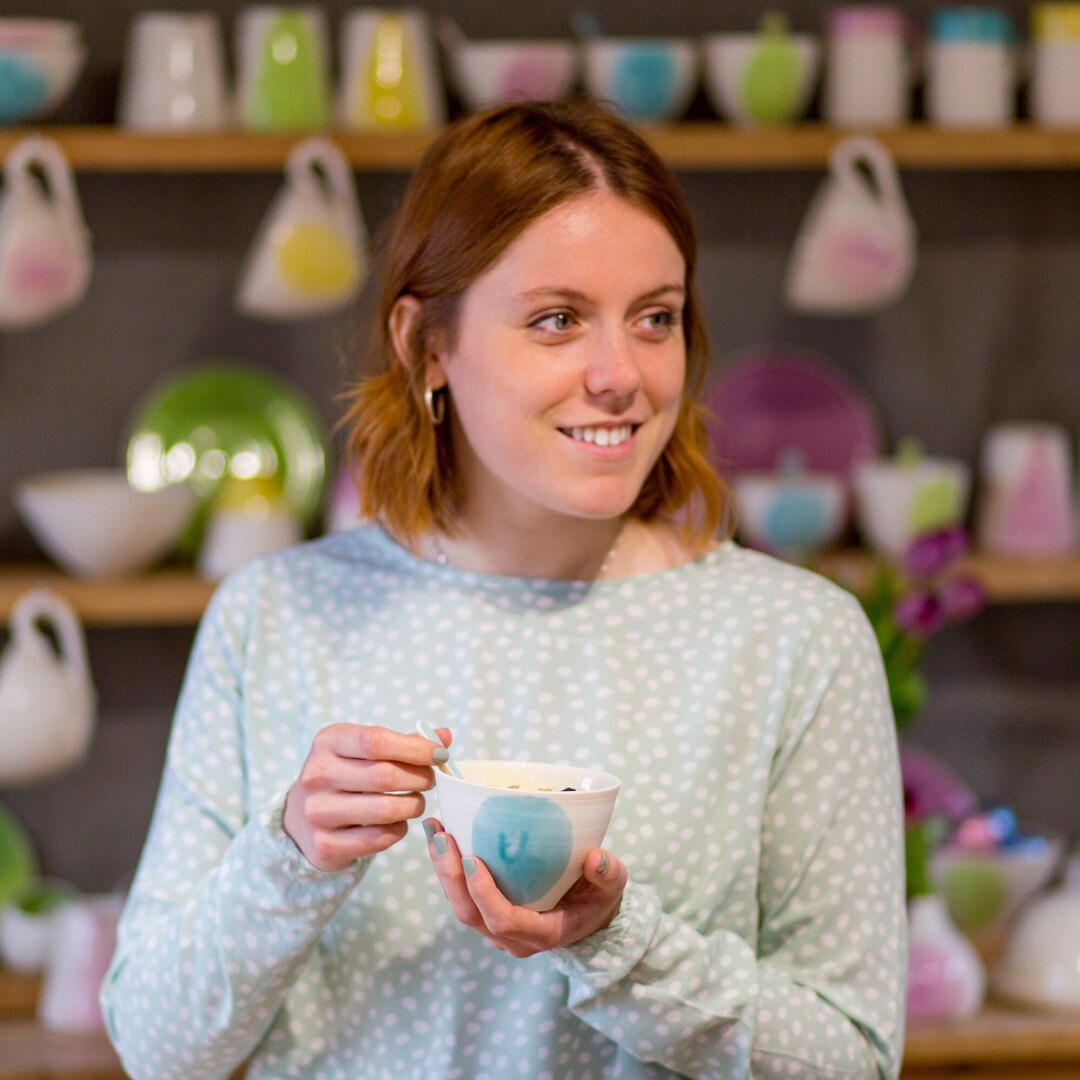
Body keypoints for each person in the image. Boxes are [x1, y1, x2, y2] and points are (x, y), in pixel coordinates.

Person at [101, 100, 907, 1080]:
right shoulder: (275, 616)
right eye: (557, 319)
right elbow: (156, 1046)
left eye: (655, 318)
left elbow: (854, 1059)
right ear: (426, 346)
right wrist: (290, 856)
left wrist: (615, 942)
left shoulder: (794, 640)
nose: (621, 375)